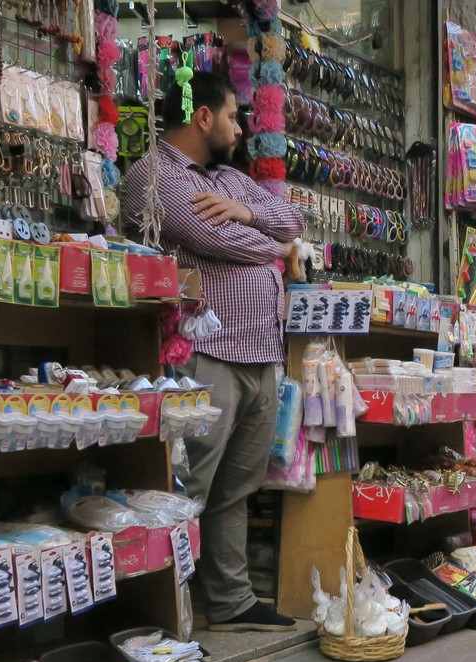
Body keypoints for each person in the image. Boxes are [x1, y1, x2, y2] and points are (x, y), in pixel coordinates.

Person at [123, 71, 305, 632]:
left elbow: (293, 220)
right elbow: (213, 237)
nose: (240, 128)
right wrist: (276, 248)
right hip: (206, 352)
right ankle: (164, 615)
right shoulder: (154, 174)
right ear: (203, 117)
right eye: (232, 116)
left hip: (260, 354)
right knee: (187, 486)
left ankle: (231, 601)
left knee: (236, 487)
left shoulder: (229, 179)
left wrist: (250, 213)